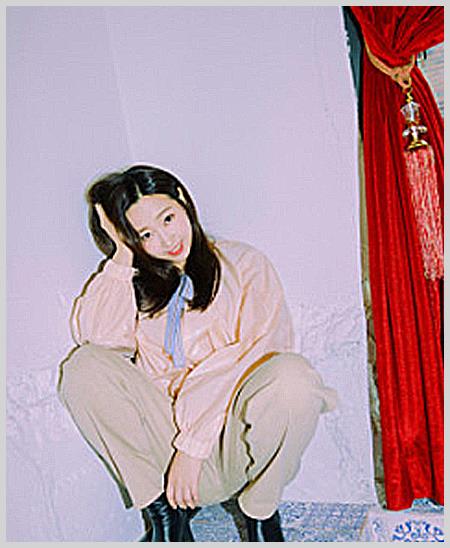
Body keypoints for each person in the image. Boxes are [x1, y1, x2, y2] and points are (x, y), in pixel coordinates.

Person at [57, 164, 338, 542]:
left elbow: (254, 354)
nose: (166, 239)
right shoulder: (135, 285)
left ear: (183, 201)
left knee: (293, 379)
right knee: (83, 367)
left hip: (235, 443)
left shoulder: (245, 264)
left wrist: (194, 445)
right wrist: (122, 257)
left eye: (168, 218)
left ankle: (260, 514)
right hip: (168, 458)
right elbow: (98, 339)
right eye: (145, 234)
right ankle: (165, 516)